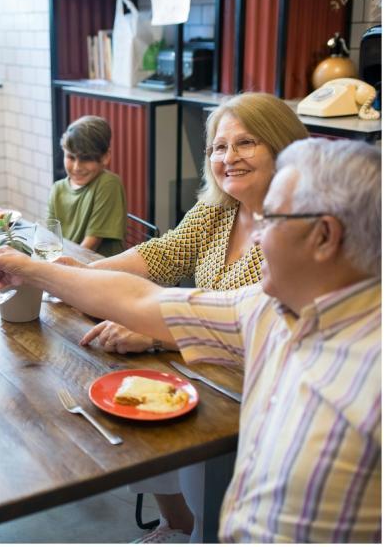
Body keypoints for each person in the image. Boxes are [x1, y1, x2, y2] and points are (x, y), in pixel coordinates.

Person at [0, 137, 381, 543]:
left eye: (271, 219)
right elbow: (141, 298)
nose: (257, 236)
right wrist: (29, 269)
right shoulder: (268, 309)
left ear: (324, 237)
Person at [59, 93, 309, 542]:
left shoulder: (296, 228)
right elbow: (163, 253)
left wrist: (158, 336)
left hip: (259, 387)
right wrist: (80, 275)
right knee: (131, 399)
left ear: (282, 146)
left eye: (246, 143)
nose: (228, 157)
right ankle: (178, 524)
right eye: (218, 146)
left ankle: (198, 529)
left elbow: (263, 326)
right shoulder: (220, 209)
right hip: (205, 368)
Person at [47, 115, 126, 256]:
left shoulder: (108, 184)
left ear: (105, 157)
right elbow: (50, 237)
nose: (77, 167)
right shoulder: (57, 189)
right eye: (71, 157)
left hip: (99, 268)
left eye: (86, 158)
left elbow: (90, 245)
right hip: (66, 263)